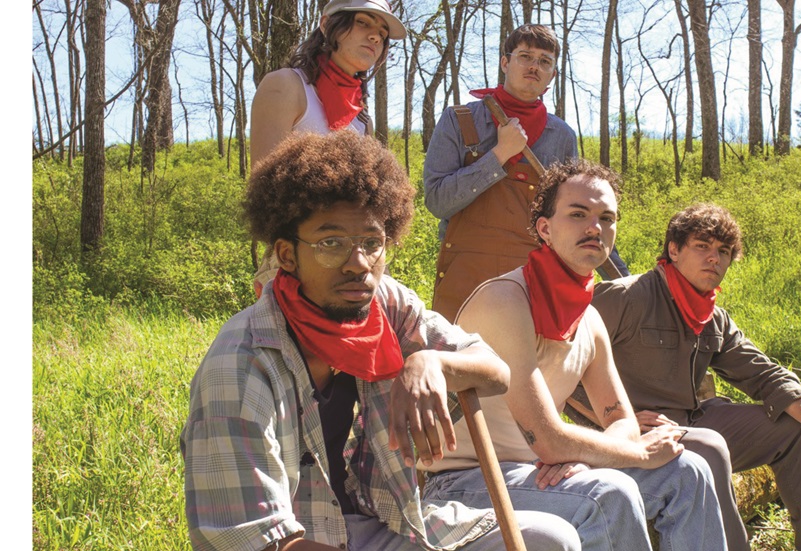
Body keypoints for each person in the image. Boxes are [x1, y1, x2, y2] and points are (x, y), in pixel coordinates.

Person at [180, 132, 581, 551]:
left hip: (381, 521)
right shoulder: (242, 364)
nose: (358, 264)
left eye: (372, 243)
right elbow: (256, 540)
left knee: (551, 539)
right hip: (300, 539)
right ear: (286, 255)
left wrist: (431, 362)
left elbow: (495, 372)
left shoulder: (383, 303)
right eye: (331, 243)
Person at [420, 159, 727, 551]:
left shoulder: (589, 319)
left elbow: (621, 420)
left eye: (606, 218)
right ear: (544, 229)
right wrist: (631, 454)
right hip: (468, 480)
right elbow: (548, 439)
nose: (594, 228)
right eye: (578, 214)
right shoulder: (505, 300)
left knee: (688, 470)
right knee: (608, 495)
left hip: (538, 472)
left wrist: (592, 457)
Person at [591, 203, 801, 551]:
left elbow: (765, 374)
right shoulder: (624, 297)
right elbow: (558, 369)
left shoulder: (713, 317)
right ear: (674, 250)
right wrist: (617, 419)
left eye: (723, 251)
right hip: (630, 437)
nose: (714, 258)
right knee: (709, 449)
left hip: (691, 422)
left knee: (797, 428)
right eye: (702, 246)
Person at [423, 24, 628, 320]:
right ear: (505, 63)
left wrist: (625, 284)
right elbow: (437, 202)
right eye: (525, 56)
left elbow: (581, 214)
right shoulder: (459, 120)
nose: (534, 66)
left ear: (552, 76)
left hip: (532, 285)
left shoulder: (562, 136)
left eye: (545, 61)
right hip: (464, 281)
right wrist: (499, 155)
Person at [249, 0, 406, 295]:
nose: (375, 36)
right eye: (363, 22)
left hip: (357, 260)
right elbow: (264, 194)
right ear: (326, 25)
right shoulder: (285, 86)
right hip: (296, 261)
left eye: (383, 33)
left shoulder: (361, 116)